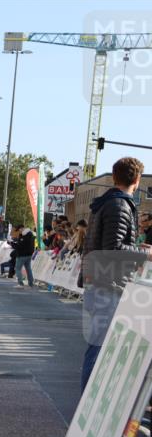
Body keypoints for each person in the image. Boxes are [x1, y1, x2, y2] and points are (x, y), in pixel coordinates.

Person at [80, 157, 151, 390]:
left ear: (114, 176)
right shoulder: (119, 206)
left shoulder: (106, 203)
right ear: (138, 180)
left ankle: (90, 403)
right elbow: (114, 248)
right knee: (99, 348)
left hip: (100, 281)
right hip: (107, 283)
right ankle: (87, 405)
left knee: (99, 345)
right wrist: (144, 255)